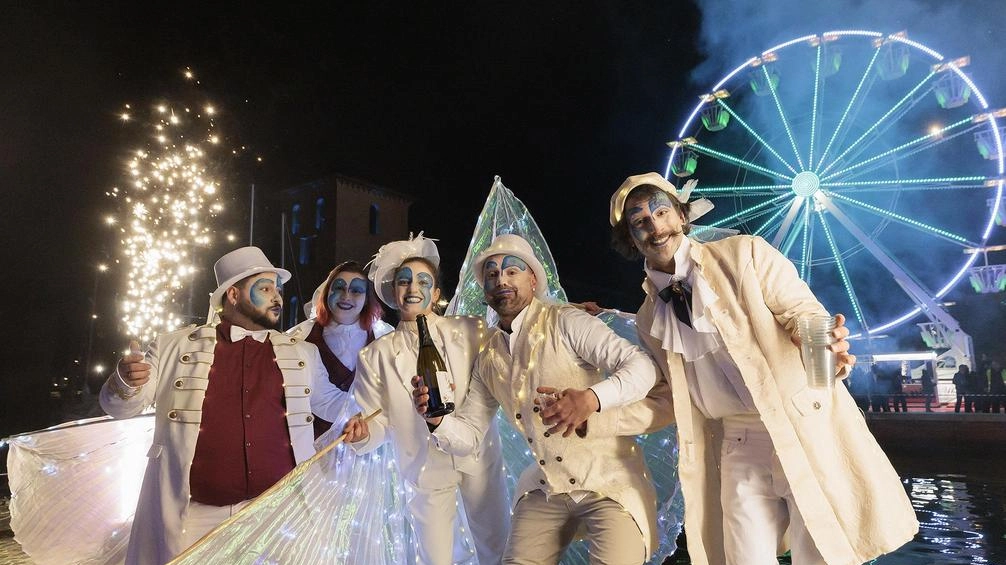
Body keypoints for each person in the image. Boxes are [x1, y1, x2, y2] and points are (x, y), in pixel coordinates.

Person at [608, 172, 918, 565]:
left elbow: (803, 314)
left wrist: (825, 346)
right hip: (736, 444)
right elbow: (671, 397)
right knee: (743, 557)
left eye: (661, 212)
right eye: (640, 222)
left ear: (682, 217)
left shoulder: (745, 254)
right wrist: (595, 414)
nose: (655, 227)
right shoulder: (648, 317)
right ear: (631, 241)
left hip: (801, 424)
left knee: (821, 555)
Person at [410, 233, 673, 565]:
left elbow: (642, 368)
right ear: (486, 291)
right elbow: (469, 436)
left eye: (511, 270)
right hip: (545, 487)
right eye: (491, 274)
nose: (501, 279)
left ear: (533, 279)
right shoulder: (489, 357)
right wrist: (437, 421)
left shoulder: (566, 320)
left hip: (611, 483)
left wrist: (591, 399)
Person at [99, 246, 347, 565]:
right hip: (194, 518)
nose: (278, 297)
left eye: (278, 289)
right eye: (266, 288)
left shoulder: (301, 354)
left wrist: (378, 405)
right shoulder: (172, 347)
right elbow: (121, 408)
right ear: (233, 294)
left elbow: (334, 403)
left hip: (279, 517)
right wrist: (125, 380)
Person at [342, 234, 510, 565]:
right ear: (393, 292)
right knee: (437, 556)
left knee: (499, 547)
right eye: (403, 281)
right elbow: (374, 420)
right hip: (423, 467)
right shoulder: (376, 355)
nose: (412, 287)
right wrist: (363, 433)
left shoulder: (472, 331)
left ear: (435, 293)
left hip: (479, 458)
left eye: (422, 280)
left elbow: (513, 341)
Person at [289, 261, 393, 436]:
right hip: (314, 444)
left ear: (367, 298)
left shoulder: (385, 336)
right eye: (338, 288)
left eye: (356, 290)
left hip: (367, 445)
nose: (346, 295)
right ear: (327, 292)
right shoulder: (300, 337)